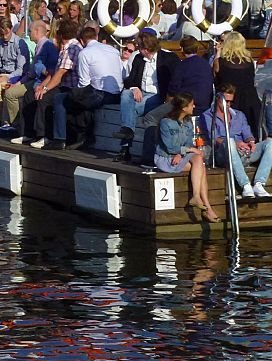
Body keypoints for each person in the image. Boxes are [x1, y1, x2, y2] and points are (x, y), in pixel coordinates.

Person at [51, 25, 123, 150]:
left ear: (82, 41)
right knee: (81, 99)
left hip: (101, 94)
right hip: (117, 94)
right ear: (96, 36)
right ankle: (82, 136)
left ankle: (60, 139)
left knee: (60, 99)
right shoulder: (113, 50)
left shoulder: (85, 53)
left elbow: (83, 83)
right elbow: (123, 73)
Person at [156, 92, 219, 223]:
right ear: (183, 107)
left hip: (179, 157)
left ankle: (197, 198)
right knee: (200, 166)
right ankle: (207, 209)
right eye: (191, 105)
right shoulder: (165, 123)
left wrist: (181, 153)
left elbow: (188, 143)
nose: (194, 106)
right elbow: (170, 147)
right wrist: (186, 150)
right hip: (166, 159)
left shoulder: (188, 122)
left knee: (198, 162)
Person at [201, 84, 272, 199]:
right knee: (229, 142)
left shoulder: (239, 115)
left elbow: (248, 135)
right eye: (226, 101)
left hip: (243, 152)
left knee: (270, 143)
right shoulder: (208, 116)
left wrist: (251, 143)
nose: (228, 104)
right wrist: (236, 143)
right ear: (218, 99)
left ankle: (259, 183)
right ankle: (245, 185)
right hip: (223, 153)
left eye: (230, 102)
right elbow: (214, 138)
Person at [116, 32, 179, 159]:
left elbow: (175, 80)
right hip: (142, 94)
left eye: (139, 47)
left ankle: (125, 147)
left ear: (146, 48)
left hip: (158, 96)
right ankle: (127, 131)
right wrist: (134, 87)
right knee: (126, 94)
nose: (138, 50)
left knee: (130, 110)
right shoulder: (139, 59)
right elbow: (130, 79)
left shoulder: (168, 58)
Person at [28, 19, 82, 148]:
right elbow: (54, 73)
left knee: (44, 98)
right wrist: (42, 85)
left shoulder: (72, 48)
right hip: (62, 85)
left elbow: (61, 74)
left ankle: (45, 136)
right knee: (31, 95)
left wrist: (45, 89)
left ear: (61, 35)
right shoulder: (65, 48)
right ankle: (29, 132)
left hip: (70, 88)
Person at [213, 30, 261, 135]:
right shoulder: (249, 61)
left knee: (232, 134)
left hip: (230, 100)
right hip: (250, 99)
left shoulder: (220, 62)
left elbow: (215, 77)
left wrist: (218, 53)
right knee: (252, 133)